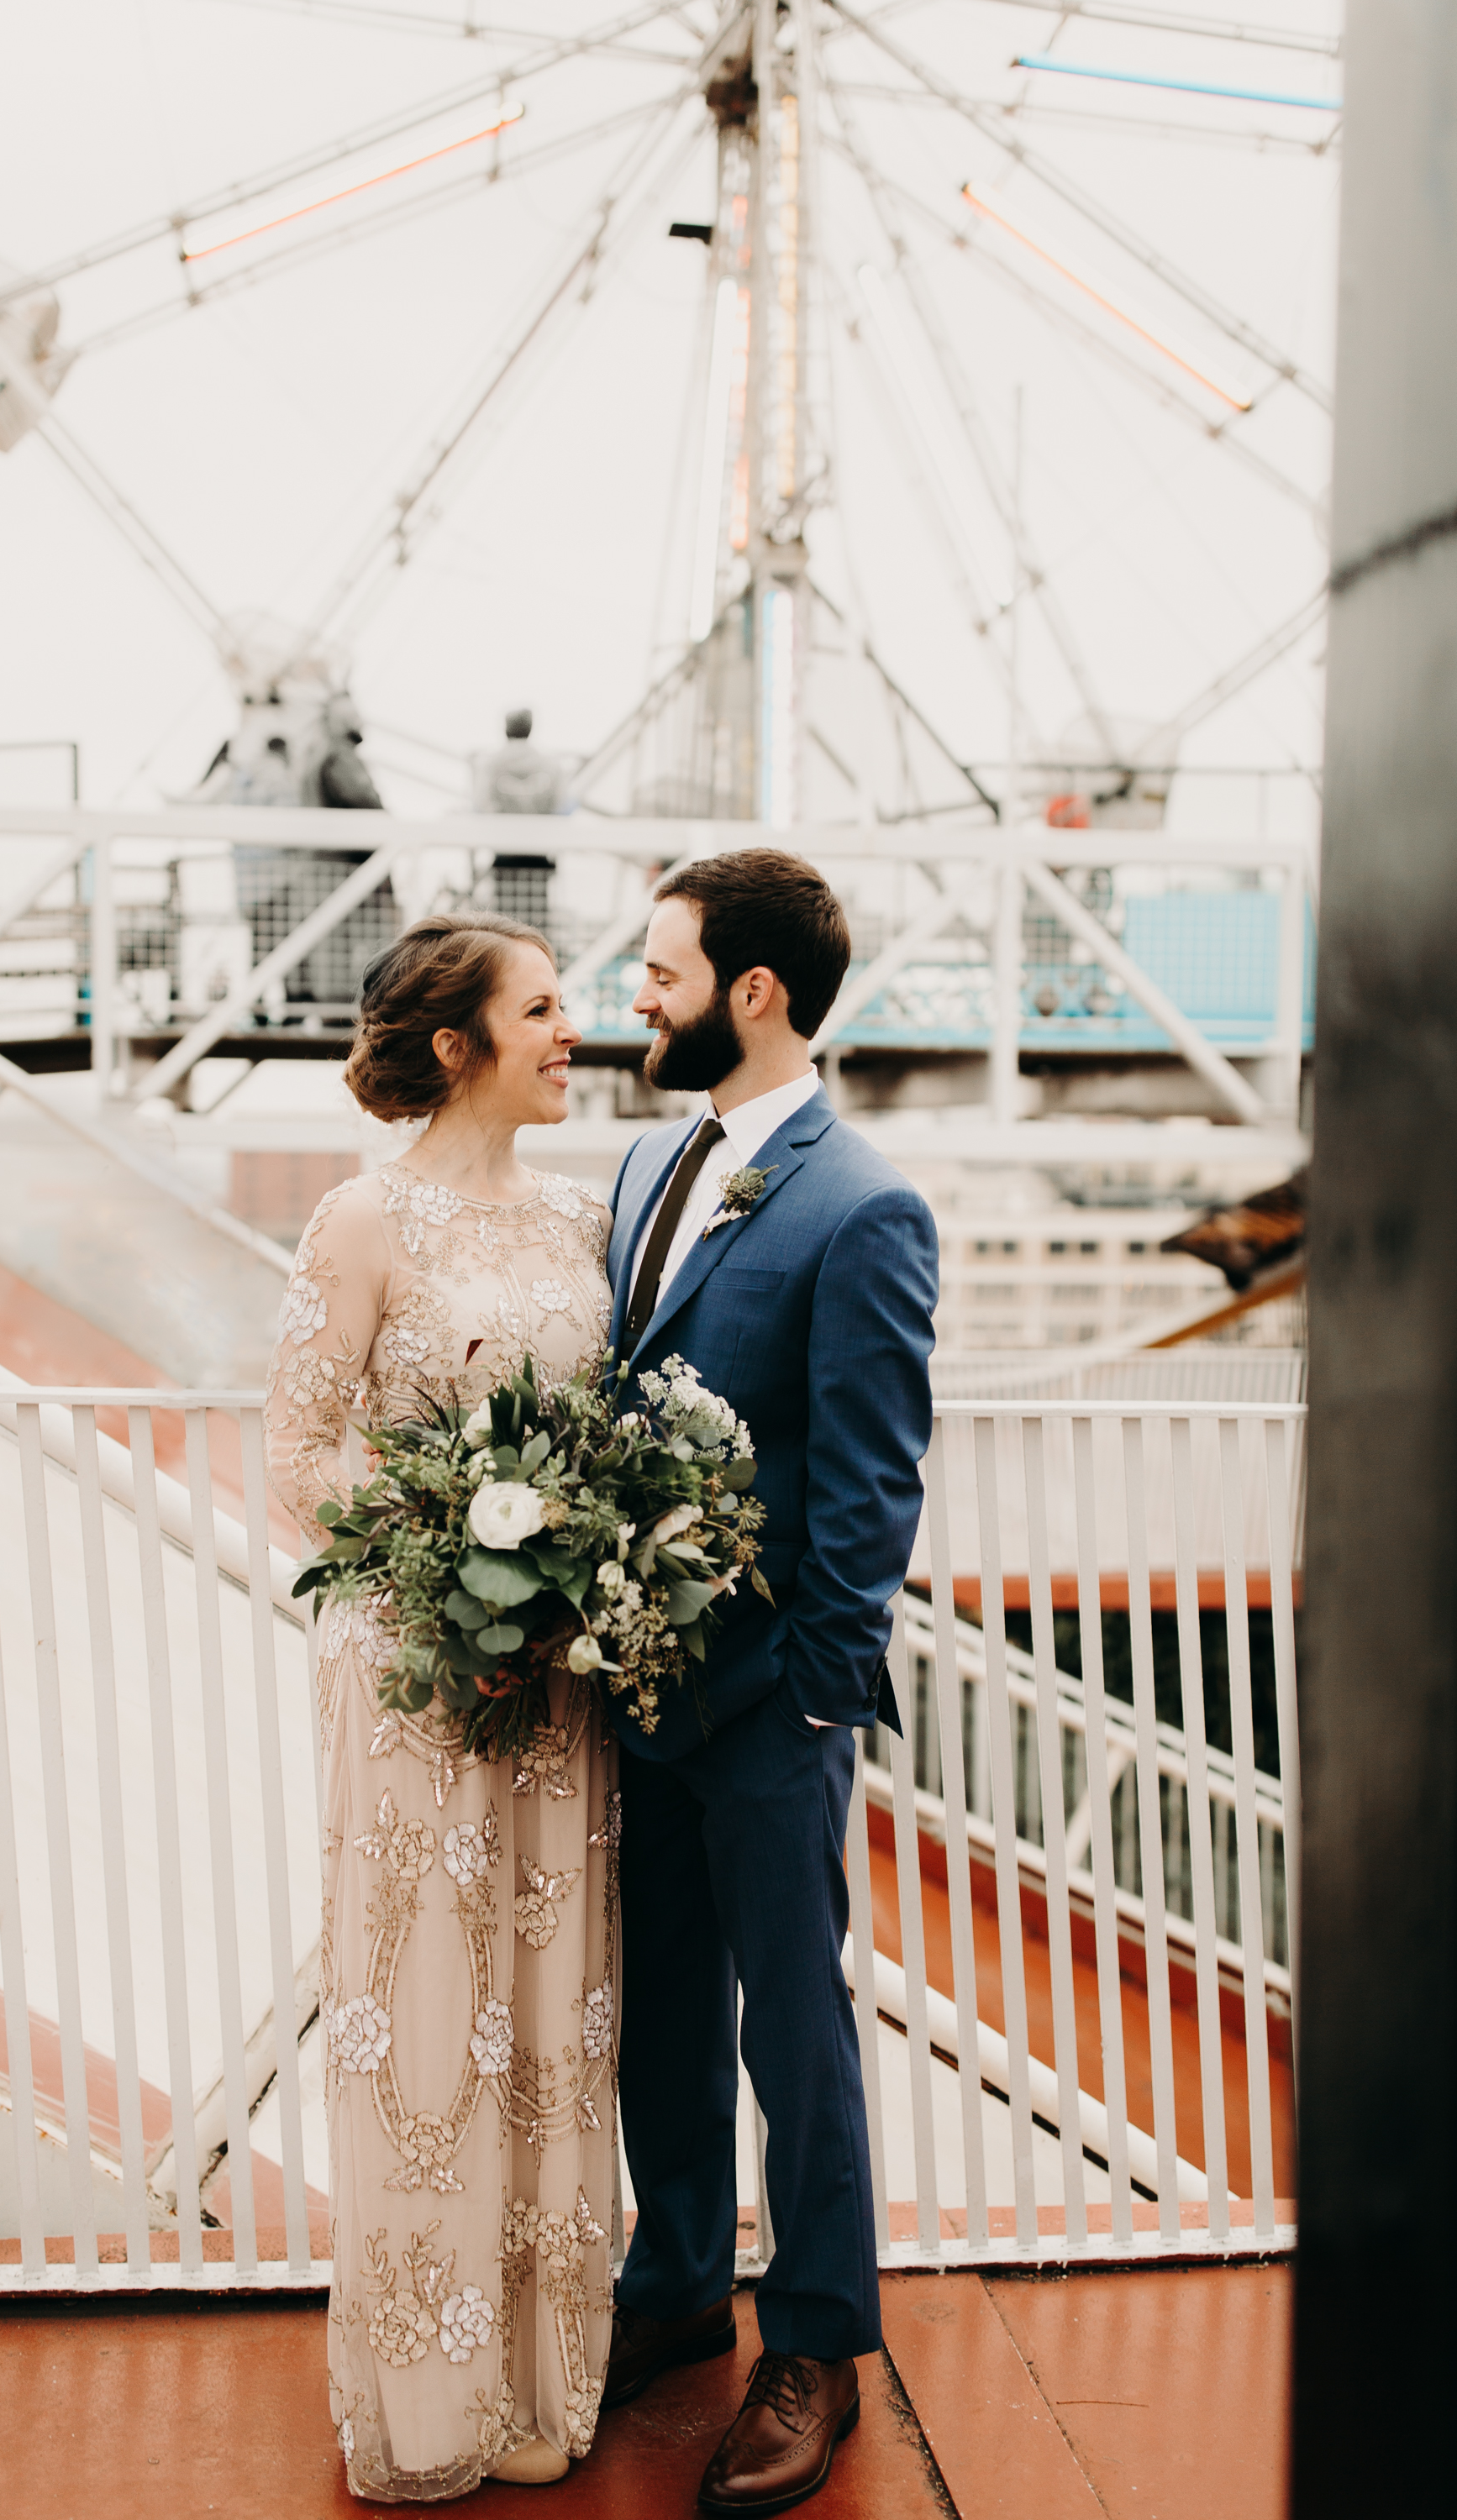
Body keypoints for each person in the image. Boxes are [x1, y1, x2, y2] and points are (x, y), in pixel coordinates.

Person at [265, 914, 619, 2502]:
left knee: (546, 2011)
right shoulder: (360, 1221)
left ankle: (540, 2385)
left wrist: (565, 1574)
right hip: (417, 1682)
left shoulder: (581, 1224)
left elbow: (601, 1445)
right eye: (545, 1010)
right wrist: (452, 1557)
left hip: (553, 1692)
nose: (574, 1032)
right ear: (460, 1044)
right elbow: (299, 1457)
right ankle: (428, 2399)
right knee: (423, 2016)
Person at [602, 848, 939, 2514]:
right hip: (635, 1689)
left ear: (750, 991)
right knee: (656, 2006)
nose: (632, 999)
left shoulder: (861, 1202)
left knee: (791, 2032)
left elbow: (871, 1482)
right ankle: (672, 2288)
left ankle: (815, 2345)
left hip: (766, 1711)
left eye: (656, 972)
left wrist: (811, 1692)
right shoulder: (651, 1162)